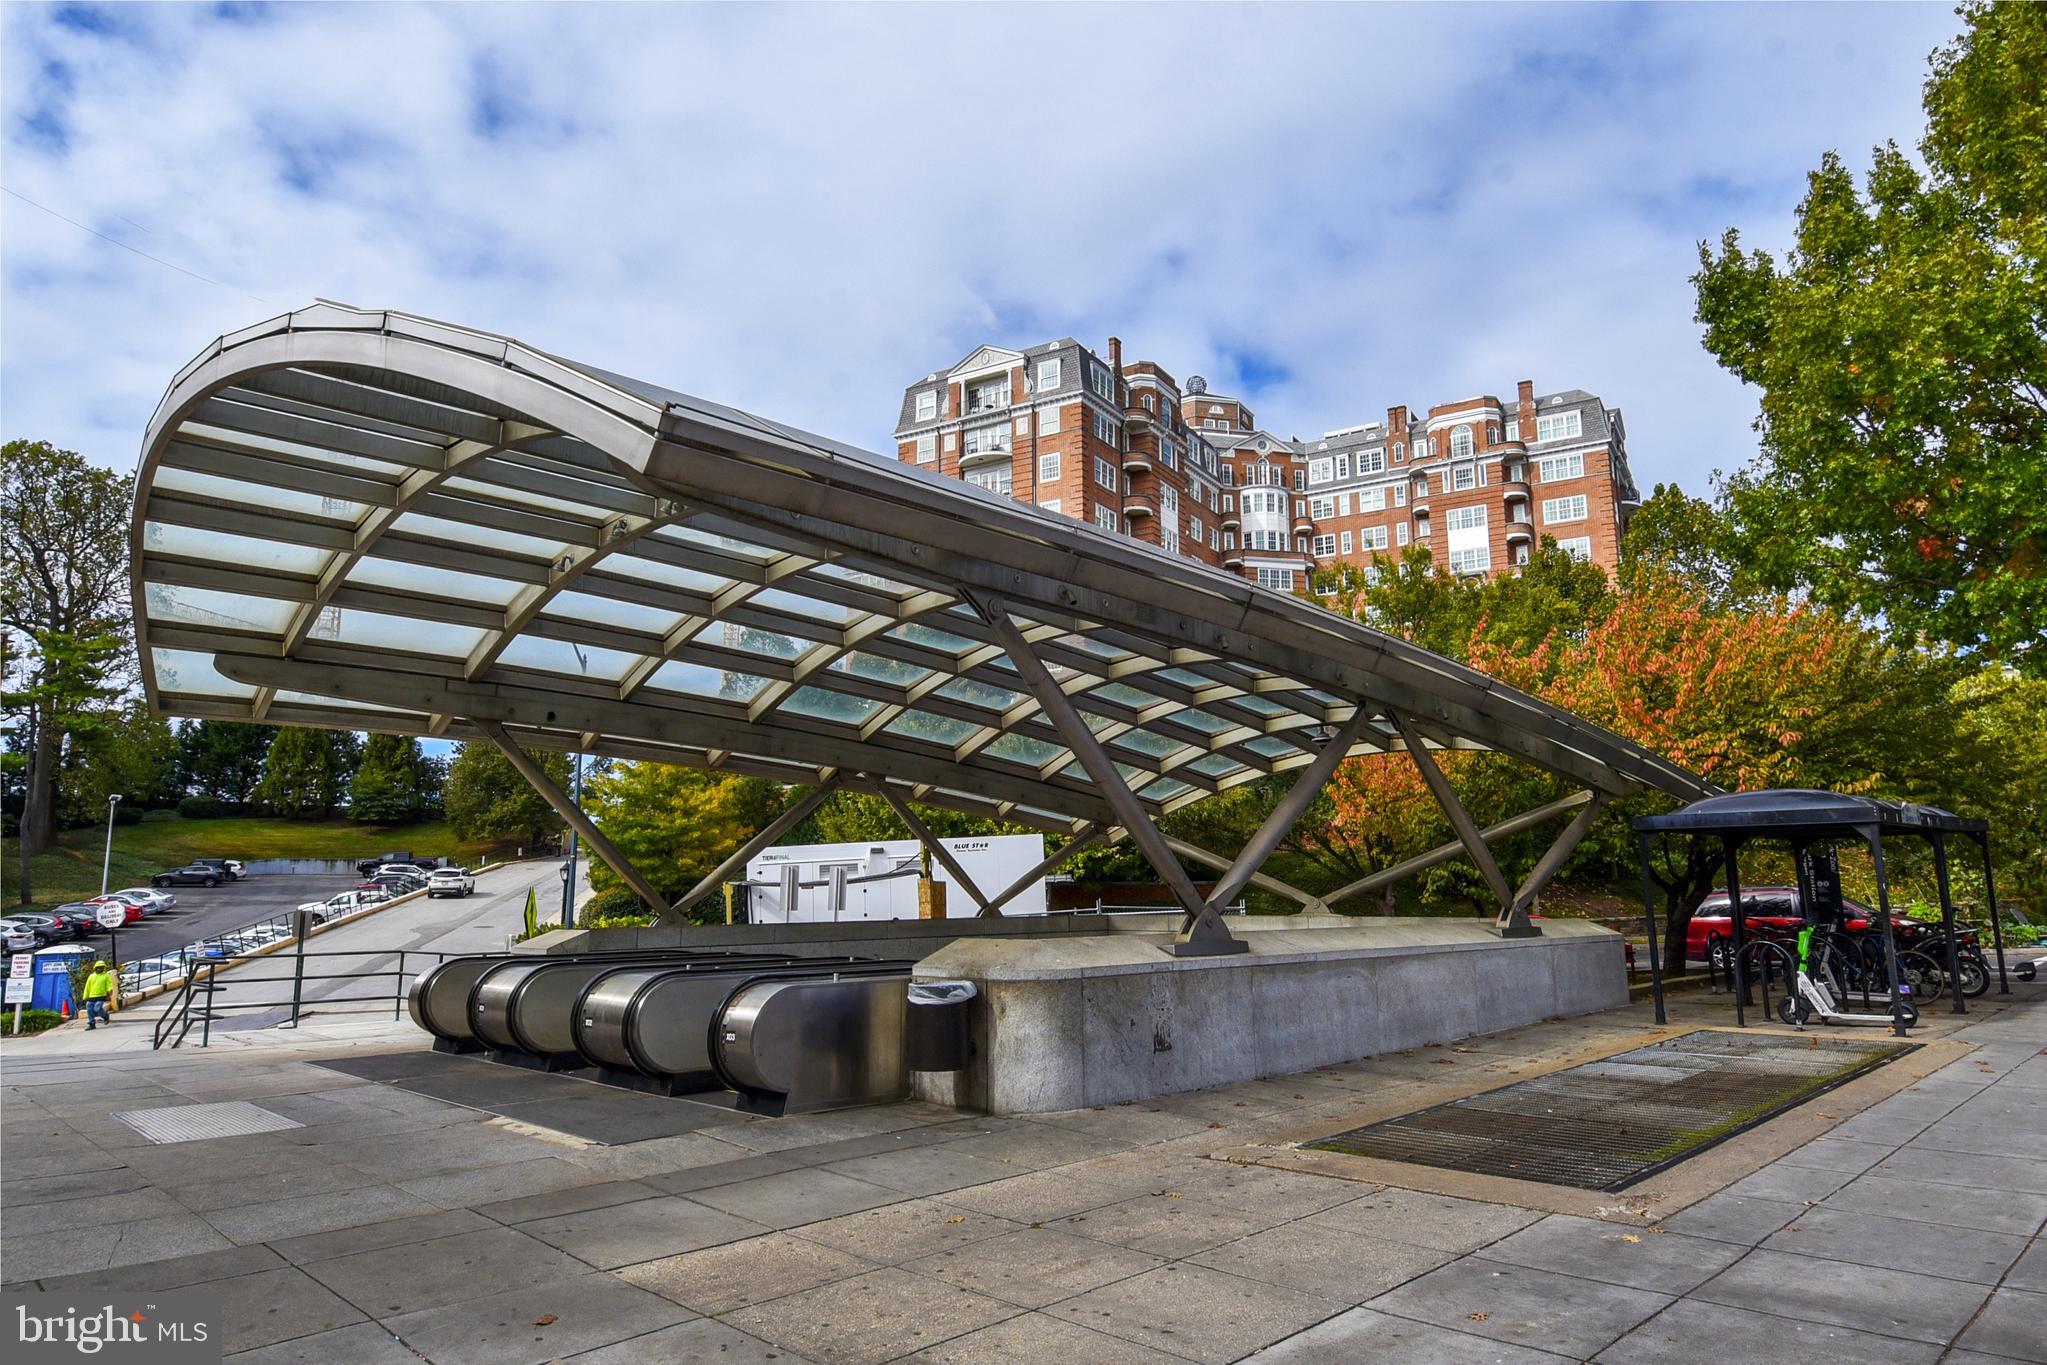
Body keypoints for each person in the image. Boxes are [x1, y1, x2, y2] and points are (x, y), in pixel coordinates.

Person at [82, 960, 117, 1030]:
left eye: (101, 967)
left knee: (97, 1008)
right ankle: (91, 1023)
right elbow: (87, 986)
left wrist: (110, 990)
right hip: (91, 996)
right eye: (98, 967)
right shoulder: (91, 976)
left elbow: (109, 984)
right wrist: (85, 996)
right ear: (95, 968)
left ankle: (105, 1016)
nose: (99, 969)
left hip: (101, 996)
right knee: (89, 1009)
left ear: (103, 968)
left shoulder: (106, 976)